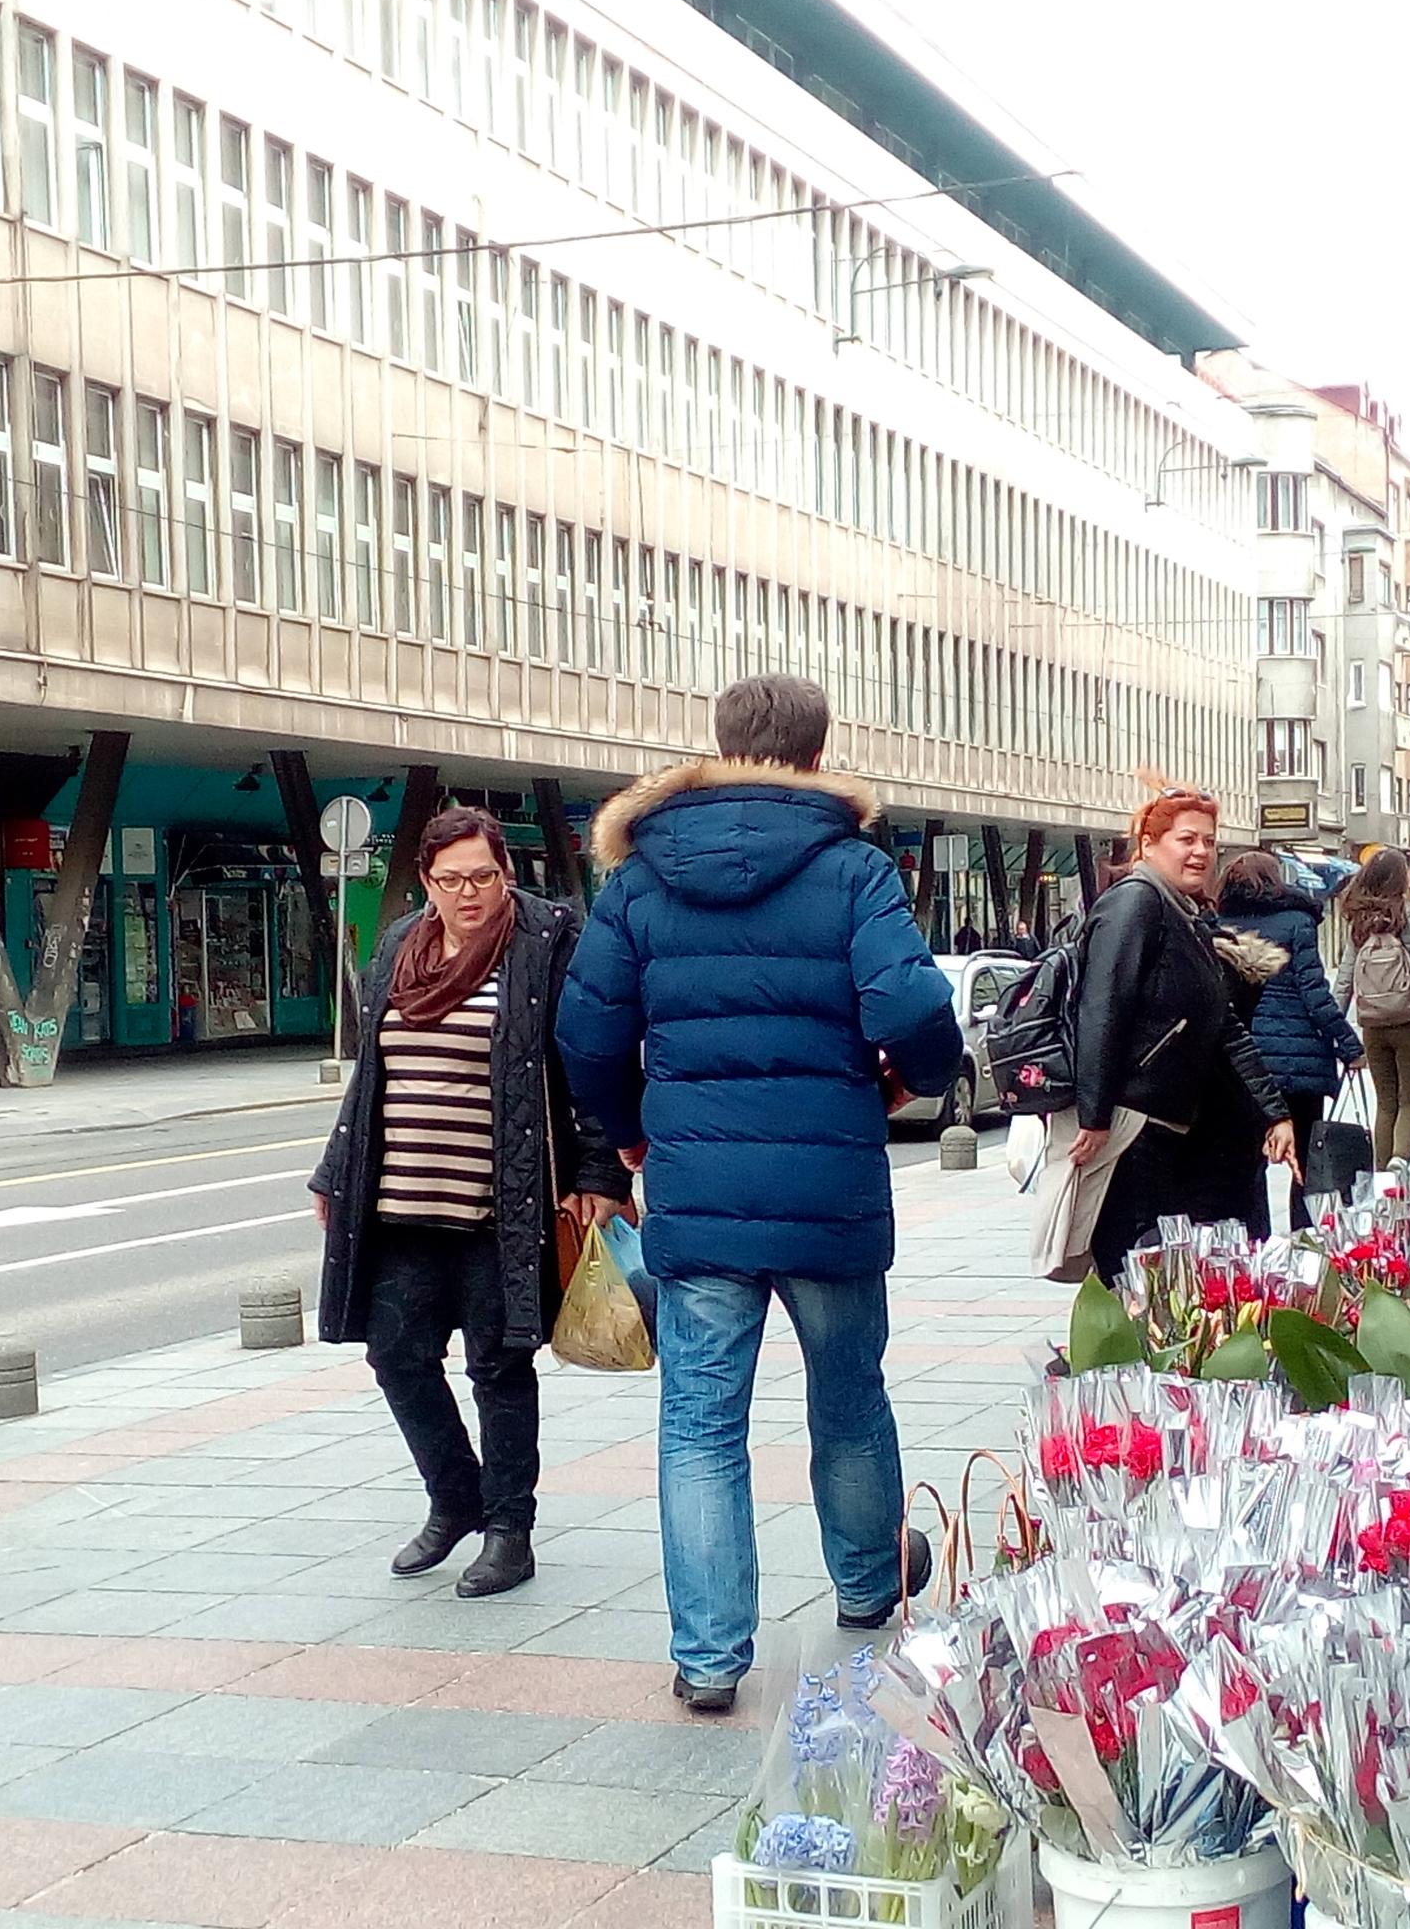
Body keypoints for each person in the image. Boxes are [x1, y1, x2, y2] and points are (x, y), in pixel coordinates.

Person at [557, 675, 966, 1714]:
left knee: (699, 1422)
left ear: (719, 746)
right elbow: (914, 1002)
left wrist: (637, 1131)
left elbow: (586, 1035)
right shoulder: (850, 868)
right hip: (828, 1183)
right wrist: (909, 1078)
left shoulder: (641, 880)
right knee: (849, 1394)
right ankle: (871, 1586)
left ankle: (708, 1658)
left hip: (699, 1189)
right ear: (821, 756)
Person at [312, 808, 624, 1600]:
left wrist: (599, 1175)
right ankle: (455, 1496)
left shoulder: (548, 942)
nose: (468, 894)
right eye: (450, 880)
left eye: (483, 876)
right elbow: (371, 1076)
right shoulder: (400, 946)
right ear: (426, 882)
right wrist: (333, 1172)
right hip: (401, 1204)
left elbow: (586, 1060)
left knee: (499, 1366)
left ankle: (509, 1532)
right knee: (396, 1357)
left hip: (501, 1205)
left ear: (505, 873)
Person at [1056, 792, 1297, 1282]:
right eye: (1185, 839)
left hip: (1162, 1125)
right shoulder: (1135, 902)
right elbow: (1104, 1008)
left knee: (1153, 1267)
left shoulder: (1182, 912)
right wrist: (1096, 1114)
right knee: (1132, 1267)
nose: (1201, 852)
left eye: (1209, 841)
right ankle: (1115, 1356)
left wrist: (1275, 1112)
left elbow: (1222, 1025)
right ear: (1148, 844)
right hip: (1131, 1122)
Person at [1214, 848, 1359, 1229]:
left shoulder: (1218, 923)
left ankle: (1254, 1244)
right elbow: (1315, 994)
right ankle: (1305, 1241)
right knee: (1308, 1163)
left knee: (1249, 1164)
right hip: (1299, 1066)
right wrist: (1349, 1045)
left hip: (1245, 1065)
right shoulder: (1297, 921)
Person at [1332, 853, 1410, 1167]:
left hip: (1372, 1024)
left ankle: (1382, 1174)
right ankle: (1400, 1160)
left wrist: (1336, 1030)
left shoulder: (1359, 920)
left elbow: (1345, 979)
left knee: (1385, 1102)